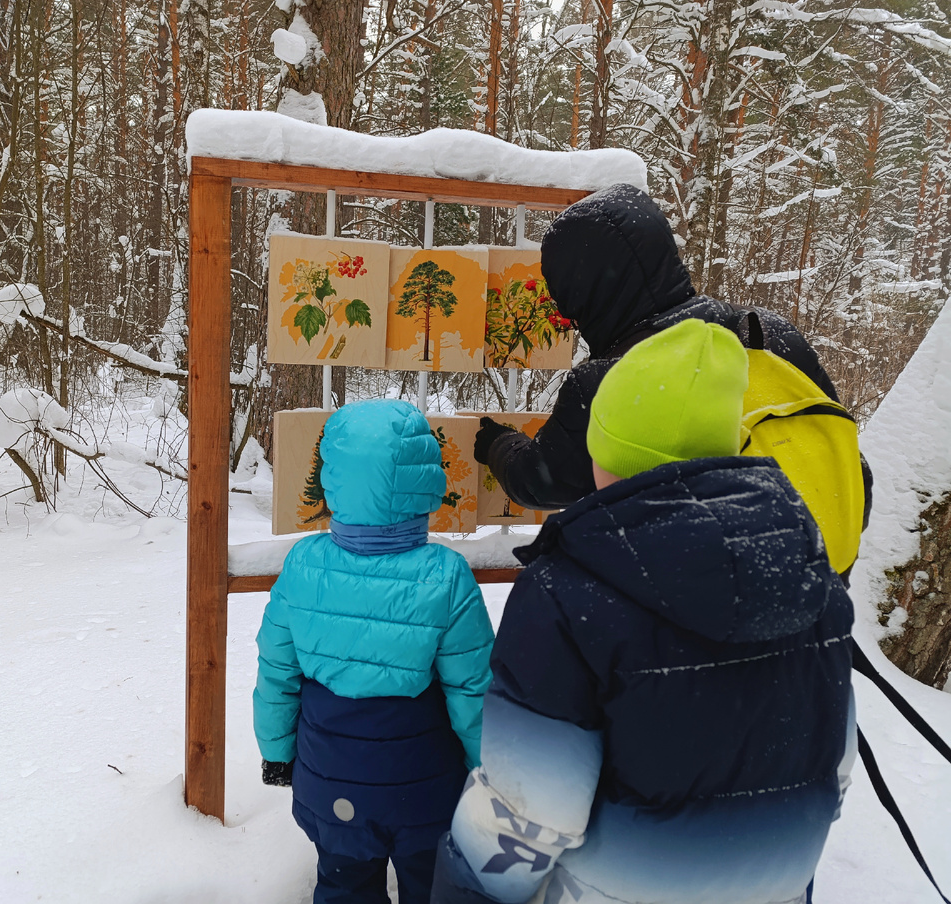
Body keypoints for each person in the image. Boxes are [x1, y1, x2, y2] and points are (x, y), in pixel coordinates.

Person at [432, 320, 856, 904]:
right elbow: (833, 769)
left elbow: (528, 811)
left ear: (606, 452)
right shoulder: (812, 575)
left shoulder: (566, 594)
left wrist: (465, 885)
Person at [474, 182, 870, 517]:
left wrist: (497, 444)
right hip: (812, 576)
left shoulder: (607, 380)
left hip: (693, 599)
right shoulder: (767, 331)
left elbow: (541, 481)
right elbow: (840, 449)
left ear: (579, 290)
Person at [254, 398, 495, 904]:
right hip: (423, 784)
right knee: (433, 887)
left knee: (344, 884)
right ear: (424, 479)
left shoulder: (303, 565)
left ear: (333, 477)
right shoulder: (446, 576)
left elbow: (277, 670)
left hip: (331, 775)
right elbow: (473, 689)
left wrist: (278, 754)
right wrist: (486, 768)